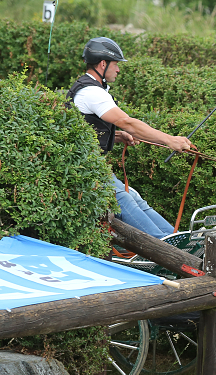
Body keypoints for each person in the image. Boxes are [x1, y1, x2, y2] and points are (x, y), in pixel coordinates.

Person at [68, 37, 194, 239]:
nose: (118, 69)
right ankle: (166, 246)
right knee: (122, 199)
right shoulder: (92, 92)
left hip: (92, 166)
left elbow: (86, 128)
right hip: (85, 170)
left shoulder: (91, 89)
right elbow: (127, 122)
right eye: (116, 64)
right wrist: (170, 140)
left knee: (135, 198)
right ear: (103, 64)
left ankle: (178, 238)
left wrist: (115, 136)